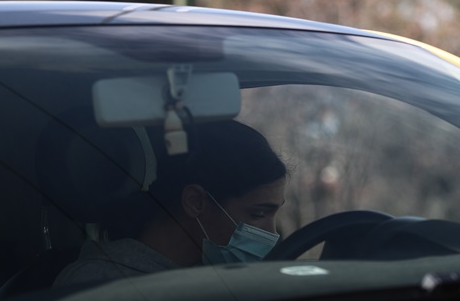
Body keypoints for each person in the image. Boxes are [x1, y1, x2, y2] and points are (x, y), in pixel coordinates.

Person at [55, 119, 288, 285]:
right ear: (195, 201)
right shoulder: (97, 283)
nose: (272, 233)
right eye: (257, 215)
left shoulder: (224, 278)